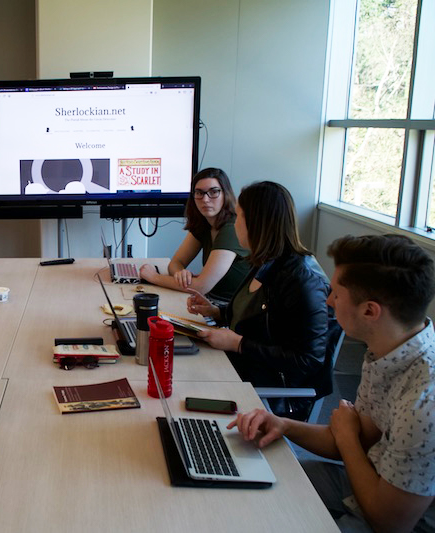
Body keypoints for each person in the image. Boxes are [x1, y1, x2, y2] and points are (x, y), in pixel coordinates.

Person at [229, 234, 435, 532]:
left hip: (392, 518)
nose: (327, 301)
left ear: (369, 311)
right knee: (249, 478)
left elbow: (389, 522)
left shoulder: (423, 403)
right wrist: (284, 425)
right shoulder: (388, 351)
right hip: (365, 479)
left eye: (336, 294)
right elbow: (353, 436)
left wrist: (347, 436)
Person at [187, 181, 340, 419]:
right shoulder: (266, 261)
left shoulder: (303, 281)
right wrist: (218, 312)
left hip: (270, 391)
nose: (234, 223)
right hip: (242, 366)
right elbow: (261, 316)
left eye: (238, 217)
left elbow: (308, 360)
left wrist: (238, 343)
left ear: (256, 224)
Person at [139, 168, 250, 304]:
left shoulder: (231, 228)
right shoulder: (204, 222)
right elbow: (175, 263)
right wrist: (180, 273)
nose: (205, 199)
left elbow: (201, 286)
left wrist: (154, 277)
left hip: (228, 309)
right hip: (210, 301)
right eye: (199, 193)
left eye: (213, 192)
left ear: (225, 194)